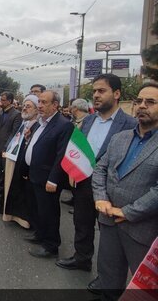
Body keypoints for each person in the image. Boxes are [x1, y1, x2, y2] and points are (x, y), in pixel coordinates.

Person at [56, 75, 137, 283]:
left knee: (109, 236)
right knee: (81, 223)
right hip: (83, 183)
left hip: (110, 189)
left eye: (102, 91)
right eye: (94, 91)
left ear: (117, 94)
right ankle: (82, 259)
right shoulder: (89, 120)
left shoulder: (129, 124)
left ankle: (107, 277)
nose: (96, 95)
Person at [92, 82, 158, 300]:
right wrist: (101, 199)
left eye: (150, 102)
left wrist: (128, 212)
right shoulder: (120, 138)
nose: (141, 106)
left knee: (142, 290)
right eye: (139, 101)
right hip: (109, 223)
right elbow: (100, 169)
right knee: (109, 280)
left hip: (142, 230)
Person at [24, 90, 74, 258]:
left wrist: (53, 179)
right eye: (39, 102)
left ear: (55, 105)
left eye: (44, 102)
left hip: (48, 178)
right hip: (35, 174)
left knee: (49, 212)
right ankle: (40, 233)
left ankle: (51, 245)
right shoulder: (40, 122)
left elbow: (62, 155)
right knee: (39, 209)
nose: (39, 105)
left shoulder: (63, 124)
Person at [0, 95, 40, 228]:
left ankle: (22, 219)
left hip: (25, 165)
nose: (25, 109)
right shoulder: (24, 123)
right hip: (14, 159)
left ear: (36, 110)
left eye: (29, 106)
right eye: (24, 106)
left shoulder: (38, 126)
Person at [0, 92, 22, 195]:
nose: (1, 102)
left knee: (6, 169)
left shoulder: (16, 114)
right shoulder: (0, 111)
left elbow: (14, 132)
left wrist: (7, 146)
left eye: (3, 100)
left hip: (6, 147)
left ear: (10, 101)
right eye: (1, 100)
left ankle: (5, 191)